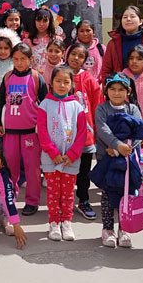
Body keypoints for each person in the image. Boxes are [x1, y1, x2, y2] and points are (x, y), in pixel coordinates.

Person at [0, 43, 47, 216]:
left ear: (30, 59)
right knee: (10, 167)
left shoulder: (36, 77)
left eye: (23, 59)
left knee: (32, 169)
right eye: (16, 59)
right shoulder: (7, 77)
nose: (19, 63)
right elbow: (0, 102)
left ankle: (32, 202)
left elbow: (46, 104)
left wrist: (43, 128)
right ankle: (10, 198)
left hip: (30, 132)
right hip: (10, 131)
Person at [37, 66, 87, 241]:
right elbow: (42, 131)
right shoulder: (45, 104)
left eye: (66, 82)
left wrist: (72, 154)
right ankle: (54, 223)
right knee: (53, 192)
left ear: (72, 84)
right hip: (51, 158)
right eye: (58, 81)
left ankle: (66, 221)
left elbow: (82, 134)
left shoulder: (77, 106)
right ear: (51, 83)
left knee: (67, 193)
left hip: (70, 159)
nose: (62, 85)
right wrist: (52, 152)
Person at [94, 72, 143, 248]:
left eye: (121, 89)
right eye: (112, 89)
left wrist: (124, 149)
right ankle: (107, 229)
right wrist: (115, 147)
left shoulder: (133, 109)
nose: (116, 93)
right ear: (106, 91)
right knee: (107, 193)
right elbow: (102, 129)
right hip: (106, 157)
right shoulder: (101, 109)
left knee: (126, 193)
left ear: (128, 91)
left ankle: (125, 228)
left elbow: (139, 132)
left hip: (127, 160)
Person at [64, 43, 103, 220]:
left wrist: (95, 130)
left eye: (81, 56)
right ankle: (62, 203)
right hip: (64, 136)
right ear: (67, 54)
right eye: (73, 54)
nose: (76, 58)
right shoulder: (60, 76)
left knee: (83, 172)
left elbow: (96, 106)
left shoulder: (89, 79)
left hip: (85, 135)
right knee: (64, 172)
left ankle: (83, 200)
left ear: (85, 61)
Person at [101, 5, 143, 86]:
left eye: (132, 17)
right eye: (125, 17)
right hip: (119, 90)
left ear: (140, 21)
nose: (128, 19)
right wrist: (108, 84)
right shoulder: (113, 43)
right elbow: (106, 70)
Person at [22, 8, 57, 73]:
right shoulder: (27, 41)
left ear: (50, 22)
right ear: (34, 21)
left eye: (45, 21)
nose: (41, 24)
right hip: (33, 77)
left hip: (52, 77)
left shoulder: (56, 40)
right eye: (38, 20)